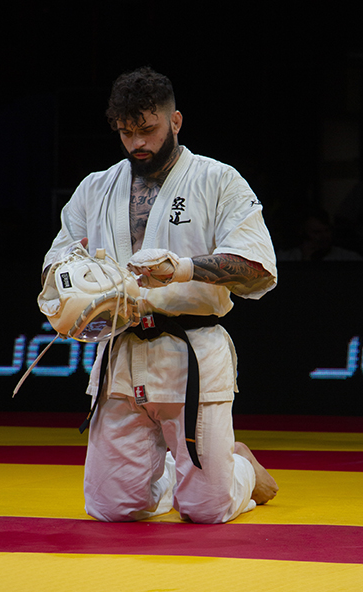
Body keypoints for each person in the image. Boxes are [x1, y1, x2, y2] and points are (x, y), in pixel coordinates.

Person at [42, 67, 279, 523]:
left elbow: (258, 268)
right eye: (126, 132)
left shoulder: (218, 180)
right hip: (121, 355)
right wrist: (73, 292)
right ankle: (176, 471)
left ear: (175, 121)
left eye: (147, 129)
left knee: (207, 510)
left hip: (190, 353)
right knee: (111, 508)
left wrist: (183, 269)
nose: (137, 143)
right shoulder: (95, 188)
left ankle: (240, 468)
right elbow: (55, 263)